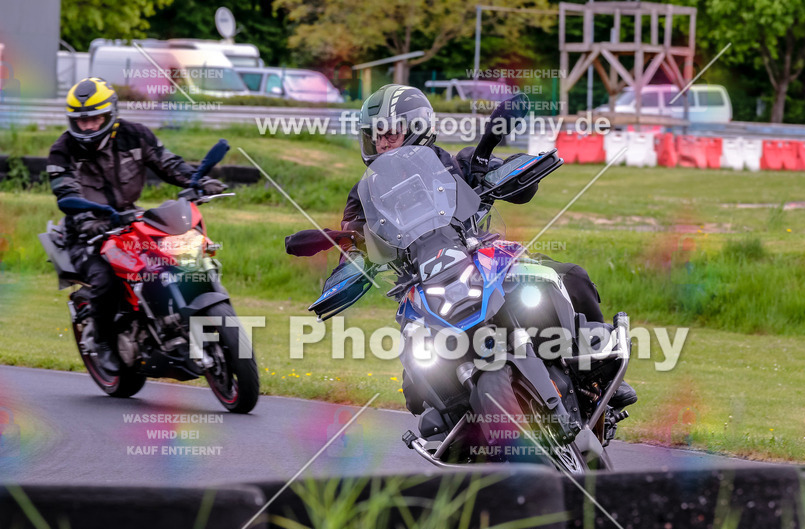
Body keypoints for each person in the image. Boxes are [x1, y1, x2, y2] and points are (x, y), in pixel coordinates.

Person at [285, 84, 635, 412]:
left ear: (416, 128)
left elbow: (521, 190)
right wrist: (350, 241)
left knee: (569, 277)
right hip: (422, 286)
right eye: (375, 136)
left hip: (481, 259)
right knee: (417, 395)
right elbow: (355, 238)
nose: (382, 143)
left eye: (389, 132)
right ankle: (458, 427)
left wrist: (494, 170)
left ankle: (599, 375)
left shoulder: (458, 164)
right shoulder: (364, 194)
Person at [47, 77, 226, 373]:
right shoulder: (62, 151)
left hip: (129, 219)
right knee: (105, 278)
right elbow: (66, 193)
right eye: (81, 122)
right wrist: (87, 220)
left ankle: (173, 322)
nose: (88, 127)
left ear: (110, 114)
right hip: (85, 232)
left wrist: (199, 182)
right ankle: (103, 342)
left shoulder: (135, 135)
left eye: (95, 119)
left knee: (177, 254)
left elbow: (169, 164)